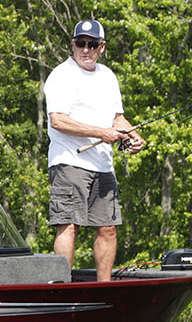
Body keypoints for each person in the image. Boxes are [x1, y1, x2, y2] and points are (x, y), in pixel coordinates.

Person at [44, 19, 145, 282]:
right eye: (80, 43)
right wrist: (101, 133)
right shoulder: (61, 75)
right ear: (73, 44)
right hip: (69, 161)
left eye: (91, 44)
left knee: (109, 228)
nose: (85, 49)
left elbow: (117, 119)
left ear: (102, 47)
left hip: (103, 165)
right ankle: (62, 288)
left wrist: (132, 134)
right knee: (69, 225)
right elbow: (58, 120)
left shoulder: (108, 76)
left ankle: (105, 286)